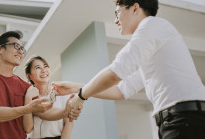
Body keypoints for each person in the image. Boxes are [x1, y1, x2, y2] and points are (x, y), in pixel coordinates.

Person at [52, 0, 205, 139]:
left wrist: (81, 97)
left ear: (135, 7)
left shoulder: (151, 25)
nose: (115, 20)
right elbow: (122, 90)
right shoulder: (151, 45)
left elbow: (115, 73)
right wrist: (75, 87)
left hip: (185, 119)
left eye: (117, 12)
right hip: (179, 120)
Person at [0, 31, 53, 139]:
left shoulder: (26, 88)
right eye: (16, 46)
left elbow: (28, 128)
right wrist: (27, 108)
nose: (21, 52)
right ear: (0, 49)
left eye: (22, 49)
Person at [23, 56, 76, 139]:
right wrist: (28, 98)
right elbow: (28, 129)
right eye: (38, 68)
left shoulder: (61, 92)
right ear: (29, 76)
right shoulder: (28, 96)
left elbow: (69, 123)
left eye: (45, 66)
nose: (43, 70)